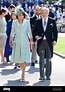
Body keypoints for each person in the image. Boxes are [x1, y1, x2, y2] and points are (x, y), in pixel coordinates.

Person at [33, 7, 58, 80]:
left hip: (49, 43)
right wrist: (36, 36)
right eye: (42, 13)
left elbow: (55, 32)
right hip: (41, 42)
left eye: (45, 13)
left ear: (48, 13)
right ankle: (42, 76)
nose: (44, 14)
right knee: (41, 59)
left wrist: (55, 40)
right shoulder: (37, 21)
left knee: (49, 59)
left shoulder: (52, 21)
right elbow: (34, 31)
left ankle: (48, 75)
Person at [10, 7, 33, 81]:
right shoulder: (14, 22)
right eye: (19, 15)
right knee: (19, 58)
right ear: (17, 15)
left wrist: (31, 41)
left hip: (25, 41)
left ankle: (23, 73)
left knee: (24, 57)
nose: (21, 16)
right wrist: (10, 41)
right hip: (17, 41)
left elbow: (29, 32)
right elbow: (12, 33)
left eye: (22, 15)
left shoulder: (27, 22)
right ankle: (21, 68)